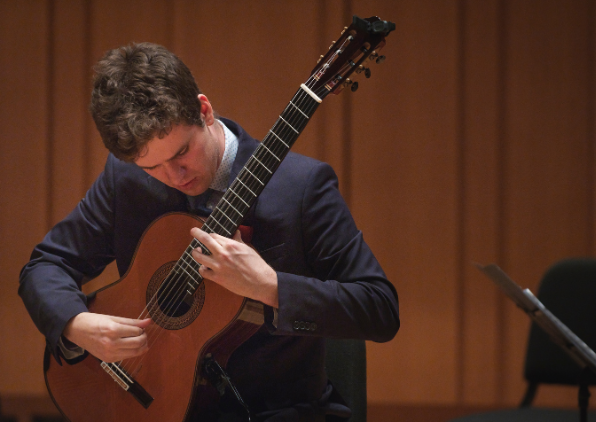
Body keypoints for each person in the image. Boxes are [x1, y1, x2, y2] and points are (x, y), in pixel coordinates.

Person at [19, 42, 399, 422]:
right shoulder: (127, 180)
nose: (175, 176)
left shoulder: (302, 188)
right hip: (147, 402)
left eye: (181, 152)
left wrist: (270, 287)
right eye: (153, 167)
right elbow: (47, 264)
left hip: (277, 412)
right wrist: (75, 323)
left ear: (204, 110)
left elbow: (378, 308)